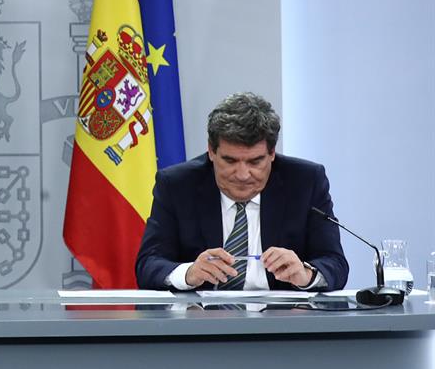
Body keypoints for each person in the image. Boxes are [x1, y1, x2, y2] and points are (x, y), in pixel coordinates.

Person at [135, 92, 348, 291]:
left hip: (284, 322)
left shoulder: (305, 181)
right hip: (201, 323)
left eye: (255, 161)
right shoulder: (177, 185)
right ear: (211, 150)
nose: (243, 174)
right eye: (230, 161)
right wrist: (189, 273)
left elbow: (335, 263)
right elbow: (148, 264)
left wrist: (306, 274)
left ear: (272, 153)